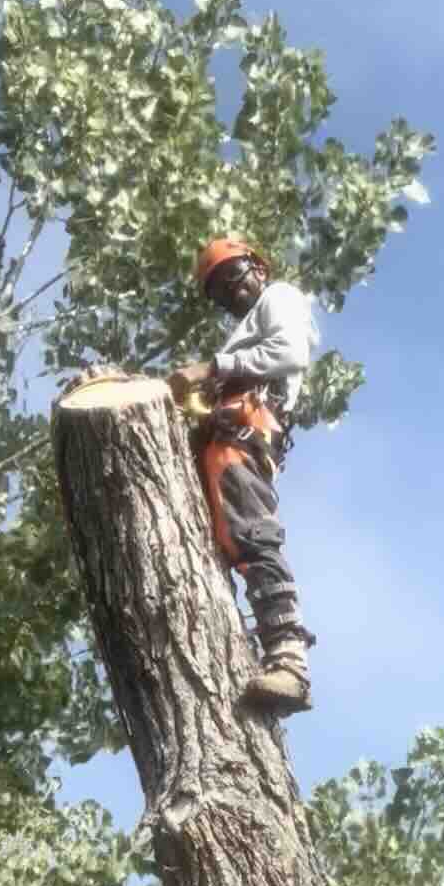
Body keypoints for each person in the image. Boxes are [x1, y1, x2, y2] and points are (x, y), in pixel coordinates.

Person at [170, 238, 318, 714]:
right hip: (223, 439)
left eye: (233, 276)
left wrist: (212, 368)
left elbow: (289, 352)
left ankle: (289, 660)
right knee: (217, 542)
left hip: (246, 431)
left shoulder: (280, 297)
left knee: (251, 534)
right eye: (217, 291)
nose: (230, 292)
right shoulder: (243, 332)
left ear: (258, 267)